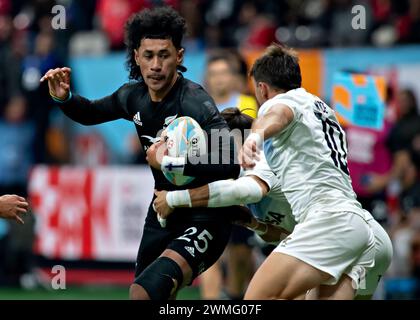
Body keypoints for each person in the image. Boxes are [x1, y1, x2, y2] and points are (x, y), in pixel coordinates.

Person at [40, 6, 241, 300]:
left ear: (179, 57)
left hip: (205, 215)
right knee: (139, 294)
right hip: (162, 212)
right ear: (136, 57)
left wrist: (168, 161)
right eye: (148, 55)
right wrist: (65, 98)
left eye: (164, 55)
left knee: (151, 291)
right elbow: (91, 112)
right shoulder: (131, 96)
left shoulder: (196, 101)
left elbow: (228, 161)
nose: (156, 65)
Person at [154, 108, 393, 299]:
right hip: (364, 240)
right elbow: (286, 233)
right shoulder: (247, 171)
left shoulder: (261, 160)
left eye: (218, 145)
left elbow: (243, 190)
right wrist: (252, 223)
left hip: (346, 231)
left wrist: (175, 199)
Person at [239, 44, 393, 300]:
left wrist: (254, 136)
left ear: (262, 88)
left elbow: (278, 114)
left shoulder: (279, 102)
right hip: (364, 229)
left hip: (330, 222)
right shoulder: (323, 109)